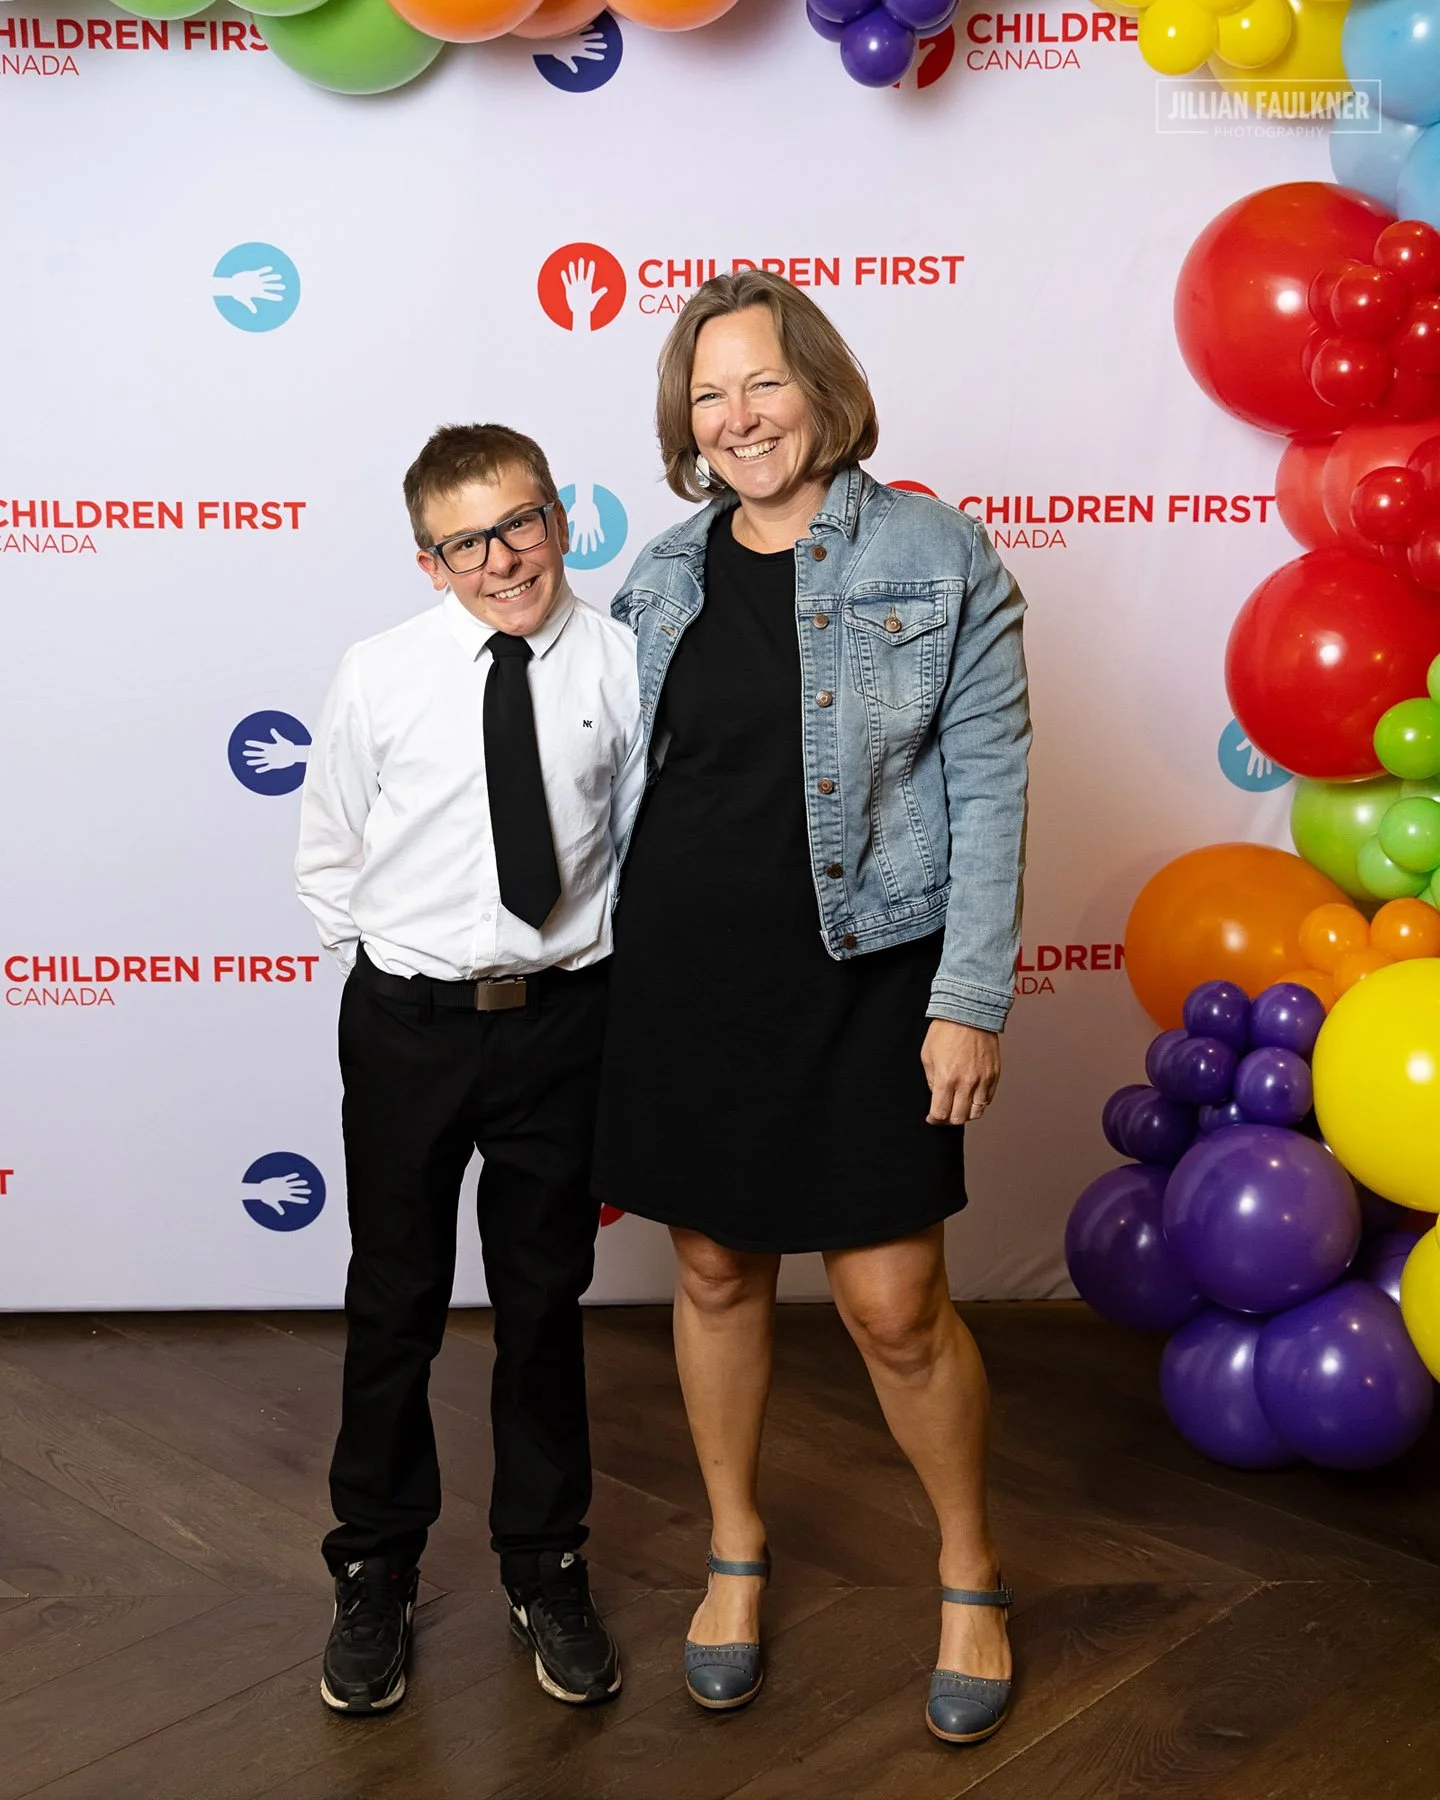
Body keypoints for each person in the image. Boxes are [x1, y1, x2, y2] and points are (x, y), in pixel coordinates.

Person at [592, 273, 1030, 1745]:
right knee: (716, 1269)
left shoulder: (934, 552)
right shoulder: (660, 575)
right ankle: (735, 1551)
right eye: (708, 394)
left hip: (869, 974)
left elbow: (993, 788)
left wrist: (969, 998)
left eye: (761, 383)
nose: (738, 418)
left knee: (894, 1305)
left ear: (820, 389)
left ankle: (969, 1571)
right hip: (688, 975)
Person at [296, 423, 644, 1717]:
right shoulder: (380, 673)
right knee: (395, 1296)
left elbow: (638, 844)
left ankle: (545, 1562)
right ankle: (374, 1567)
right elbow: (331, 848)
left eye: (519, 525)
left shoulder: (621, 661)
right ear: (428, 562)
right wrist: (403, 975)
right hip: (409, 1026)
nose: (502, 561)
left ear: (559, 518)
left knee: (544, 1300)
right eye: (465, 544)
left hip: (563, 1022)